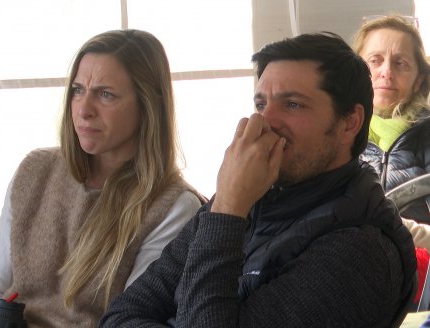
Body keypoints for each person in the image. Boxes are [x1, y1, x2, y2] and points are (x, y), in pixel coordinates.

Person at [100, 32, 416, 328]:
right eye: (261, 104)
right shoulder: (248, 197)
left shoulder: (361, 250)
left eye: (293, 104)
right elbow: (120, 315)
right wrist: (227, 207)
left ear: (350, 123)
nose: (264, 122)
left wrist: (227, 213)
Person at [0, 29, 205, 328]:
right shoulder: (35, 171)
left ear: (148, 105)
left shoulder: (174, 206)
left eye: (106, 94)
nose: (84, 109)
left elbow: (130, 319)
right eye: (78, 90)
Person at [353, 14, 430, 225]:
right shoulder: (332, 134)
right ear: (355, 71)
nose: (386, 72)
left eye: (401, 63)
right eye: (375, 61)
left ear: (418, 80)